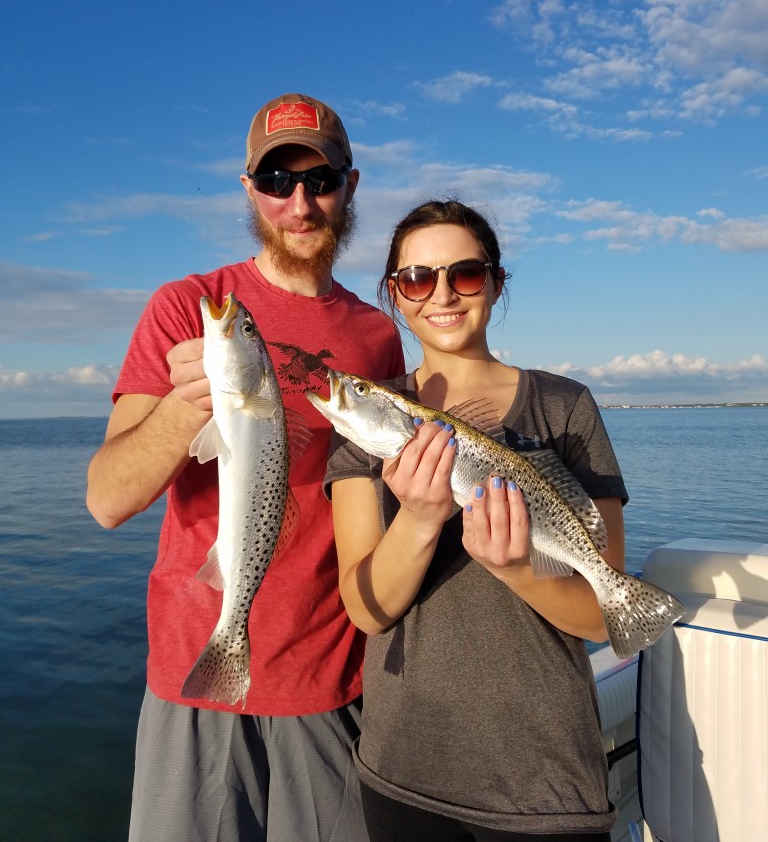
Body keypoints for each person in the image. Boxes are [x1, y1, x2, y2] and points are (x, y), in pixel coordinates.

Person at [86, 93, 404, 842]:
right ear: (249, 191)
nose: (300, 203)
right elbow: (106, 499)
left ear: (349, 187)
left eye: (320, 180)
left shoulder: (376, 336)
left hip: (333, 681)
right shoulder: (189, 305)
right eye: (277, 182)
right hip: (197, 682)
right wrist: (182, 408)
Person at [324, 199, 627, 842]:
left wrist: (517, 568)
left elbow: (605, 611)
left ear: (494, 282)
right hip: (402, 768)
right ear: (394, 294)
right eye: (416, 278)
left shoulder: (564, 405)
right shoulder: (366, 430)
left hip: (546, 777)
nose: (441, 294)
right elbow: (367, 610)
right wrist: (418, 517)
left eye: (464, 274)